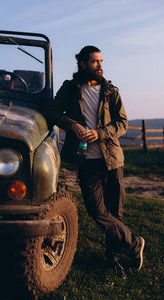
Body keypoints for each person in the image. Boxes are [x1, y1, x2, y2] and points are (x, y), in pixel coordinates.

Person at [46, 46, 145, 279]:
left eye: (101, 61)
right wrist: (73, 125)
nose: (100, 65)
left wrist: (99, 133)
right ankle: (134, 242)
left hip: (111, 160)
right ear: (82, 63)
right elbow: (52, 112)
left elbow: (122, 123)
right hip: (86, 161)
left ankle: (113, 259)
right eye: (94, 62)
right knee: (97, 212)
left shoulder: (111, 91)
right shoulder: (70, 89)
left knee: (114, 214)